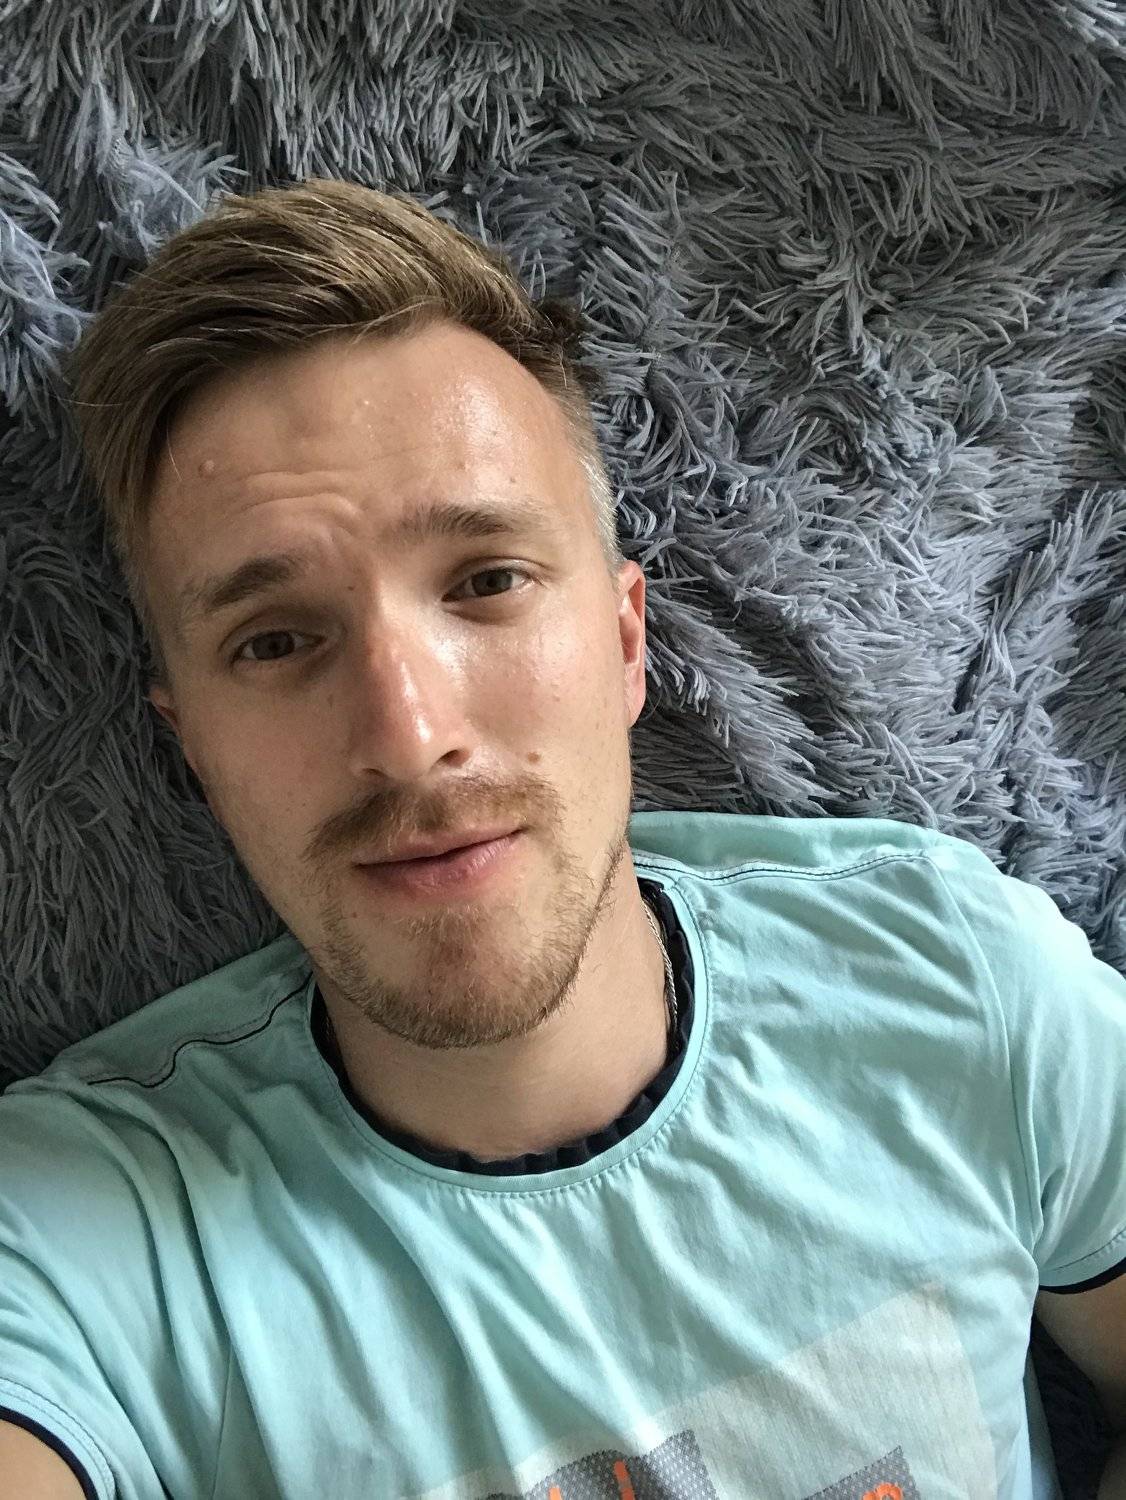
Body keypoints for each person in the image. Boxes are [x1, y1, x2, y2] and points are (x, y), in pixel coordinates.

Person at [1, 178, 1123, 1500]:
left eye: (486, 581)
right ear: (191, 742)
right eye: (277, 640)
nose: (411, 736)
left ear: (625, 639)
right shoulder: (82, 1230)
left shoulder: (954, 978)